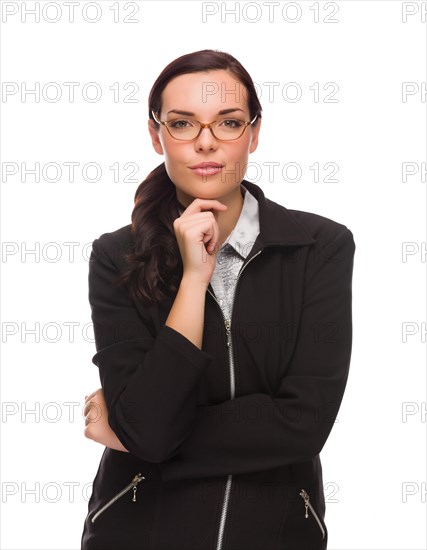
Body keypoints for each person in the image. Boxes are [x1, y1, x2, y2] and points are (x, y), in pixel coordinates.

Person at [80, 49, 355, 550]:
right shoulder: (116, 255)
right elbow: (150, 425)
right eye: (183, 123)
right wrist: (192, 278)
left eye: (227, 123)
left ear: (253, 133)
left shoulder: (320, 247)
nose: (206, 142)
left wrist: (139, 436)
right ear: (155, 134)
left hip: (276, 534)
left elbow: (303, 424)